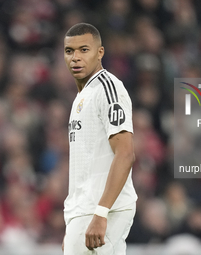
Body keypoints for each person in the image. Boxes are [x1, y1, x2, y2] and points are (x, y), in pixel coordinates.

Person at [62, 23, 137, 255]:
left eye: (84, 50)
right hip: (84, 212)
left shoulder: (108, 88)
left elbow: (125, 153)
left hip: (103, 211)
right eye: (69, 51)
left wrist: (101, 213)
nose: (76, 57)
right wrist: (73, 224)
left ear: (100, 52)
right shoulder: (82, 96)